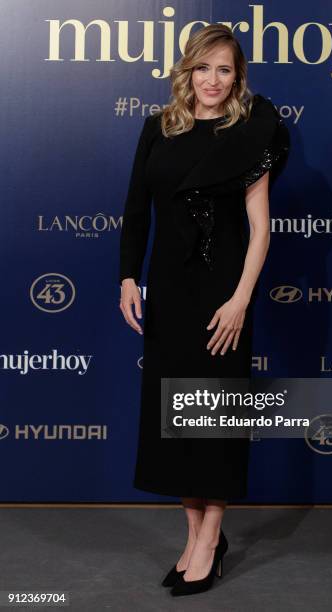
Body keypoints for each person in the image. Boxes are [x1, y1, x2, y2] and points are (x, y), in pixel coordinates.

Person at [119, 23, 290, 597]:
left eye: (225, 69)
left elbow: (261, 227)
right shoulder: (157, 129)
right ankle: (194, 537)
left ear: (237, 76)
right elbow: (136, 211)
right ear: (186, 72)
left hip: (223, 294)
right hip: (168, 293)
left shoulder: (250, 134)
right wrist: (127, 277)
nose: (213, 80)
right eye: (203, 68)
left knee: (212, 419)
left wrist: (242, 299)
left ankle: (212, 536)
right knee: (177, 420)